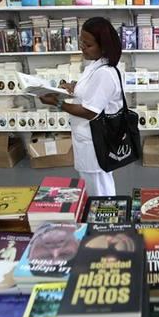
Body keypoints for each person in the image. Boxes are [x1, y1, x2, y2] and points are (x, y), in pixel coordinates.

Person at [40, 17, 123, 197]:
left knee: (99, 189)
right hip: (87, 139)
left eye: (88, 44)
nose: (82, 47)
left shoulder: (105, 74)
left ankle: (105, 219)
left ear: (103, 46)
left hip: (95, 143)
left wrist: (57, 102)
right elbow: (90, 91)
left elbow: (90, 112)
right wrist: (74, 87)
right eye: (82, 42)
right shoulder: (94, 65)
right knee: (93, 184)